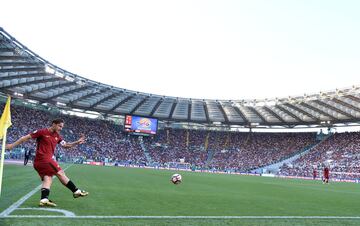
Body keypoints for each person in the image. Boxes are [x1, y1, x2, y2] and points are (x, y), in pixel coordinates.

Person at [6, 118, 89, 207]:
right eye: (59, 126)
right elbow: (25, 138)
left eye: (62, 127)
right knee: (60, 173)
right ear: (53, 124)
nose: (61, 128)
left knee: (48, 178)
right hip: (43, 159)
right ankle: (76, 191)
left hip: (41, 162)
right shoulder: (42, 132)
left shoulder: (57, 136)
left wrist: (77, 142)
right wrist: (12, 145)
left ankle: (44, 199)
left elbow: (65, 145)